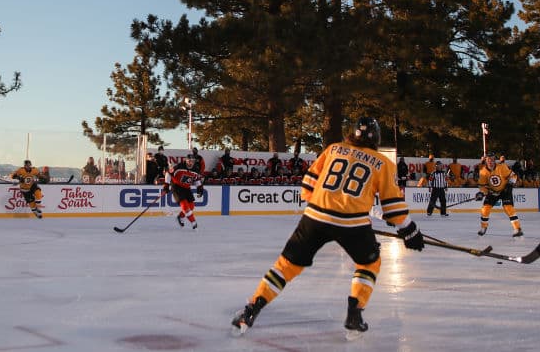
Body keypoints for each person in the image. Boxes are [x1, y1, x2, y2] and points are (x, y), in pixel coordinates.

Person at [231, 117, 424, 338]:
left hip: (315, 217)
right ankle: (355, 314)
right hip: (353, 223)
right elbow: (392, 206)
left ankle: (250, 312)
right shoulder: (382, 163)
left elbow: (307, 186)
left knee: (286, 266)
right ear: (376, 138)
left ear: (352, 133)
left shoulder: (333, 149)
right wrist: (409, 230)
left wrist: (325, 207)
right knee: (369, 263)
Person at [476, 153, 523, 237]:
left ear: (495, 160)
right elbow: (482, 186)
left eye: (492, 159)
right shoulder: (483, 171)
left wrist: (509, 186)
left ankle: (517, 228)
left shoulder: (502, 167)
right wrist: (482, 193)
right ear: (486, 160)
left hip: (505, 190)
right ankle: (483, 227)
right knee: (485, 209)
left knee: (508, 208)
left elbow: (513, 176)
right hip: (493, 191)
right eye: (488, 159)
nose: (490, 161)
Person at [164, 160, 204, 229]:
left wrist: (199, 188)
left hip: (186, 188)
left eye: (192, 161)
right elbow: (168, 173)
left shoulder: (195, 169)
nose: (190, 163)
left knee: (191, 206)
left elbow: (197, 179)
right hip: (177, 187)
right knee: (184, 205)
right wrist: (166, 185)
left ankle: (181, 217)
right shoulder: (179, 166)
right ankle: (193, 222)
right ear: (186, 161)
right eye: (189, 161)